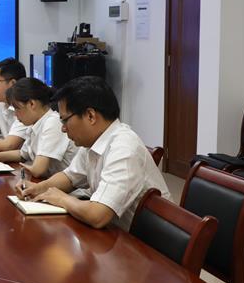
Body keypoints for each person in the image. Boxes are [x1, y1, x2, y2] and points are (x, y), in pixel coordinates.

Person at [19, 76, 170, 230]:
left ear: (90, 116)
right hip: (114, 230)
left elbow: (98, 216)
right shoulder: (93, 141)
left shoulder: (124, 148)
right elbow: (70, 177)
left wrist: (62, 199)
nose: (63, 128)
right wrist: (38, 188)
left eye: (65, 120)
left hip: (142, 240)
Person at [0, 78, 77, 178]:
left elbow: (38, 170)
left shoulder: (53, 122)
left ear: (32, 104)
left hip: (66, 185)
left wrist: (20, 169)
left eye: (17, 108)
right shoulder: (36, 123)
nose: (15, 114)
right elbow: (23, 154)